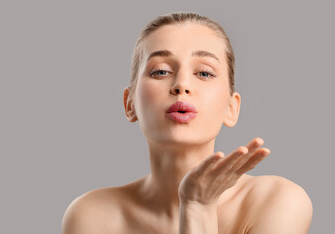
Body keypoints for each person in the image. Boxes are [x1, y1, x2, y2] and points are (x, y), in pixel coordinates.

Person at [62, 12, 313, 234]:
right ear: (130, 104)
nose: (181, 85)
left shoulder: (277, 202)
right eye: (160, 71)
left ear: (231, 107)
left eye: (204, 73)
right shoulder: (92, 216)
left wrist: (197, 207)